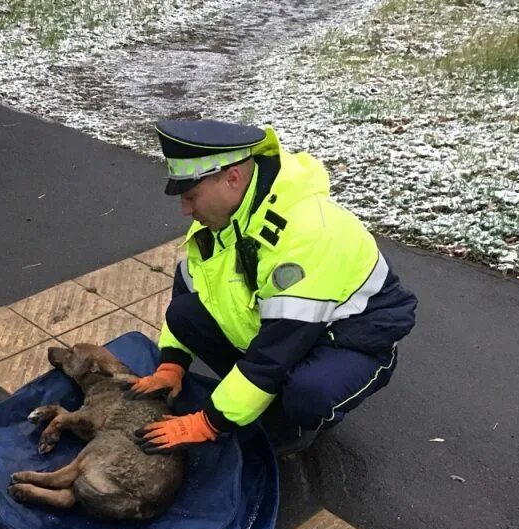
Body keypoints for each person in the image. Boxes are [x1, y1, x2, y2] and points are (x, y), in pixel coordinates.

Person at [129, 119, 417, 455]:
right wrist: (172, 364)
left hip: (354, 336)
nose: (185, 209)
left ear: (232, 178)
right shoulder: (226, 219)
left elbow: (274, 353)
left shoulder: (307, 235)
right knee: (184, 314)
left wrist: (207, 423)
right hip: (289, 332)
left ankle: (292, 423)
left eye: (192, 195)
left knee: (308, 393)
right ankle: (257, 401)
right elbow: (190, 288)